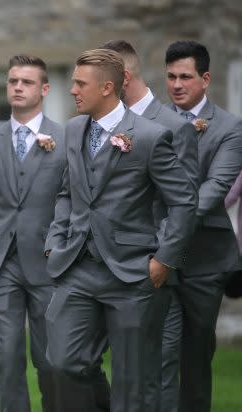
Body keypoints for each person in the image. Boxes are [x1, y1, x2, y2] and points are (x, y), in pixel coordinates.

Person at [43, 49, 196, 412]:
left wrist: (164, 260)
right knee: (62, 363)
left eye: (80, 83)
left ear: (107, 87)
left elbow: (183, 202)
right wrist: (55, 240)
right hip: (77, 268)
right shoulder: (74, 128)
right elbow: (67, 193)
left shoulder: (150, 137)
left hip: (133, 274)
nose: (73, 90)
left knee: (134, 384)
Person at [102, 39, 199, 412]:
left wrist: (160, 261)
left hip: (152, 272)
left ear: (121, 78)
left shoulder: (175, 126)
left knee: (158, 372)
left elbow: (183, 202)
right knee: (113, 372)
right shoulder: (104, 123)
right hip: (105, 270)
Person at [0, 54, 66, 412]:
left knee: (51, 361)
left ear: (44, 88)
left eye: (26, 82)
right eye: (12, 82)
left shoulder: (66, 138)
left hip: (49, 266)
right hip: (1, 266)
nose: (18, 88)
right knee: (7, 358)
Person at [163, 40, 242, 412]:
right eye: (171, 77)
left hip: (204, 260)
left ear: (205, 79)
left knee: (195, 354)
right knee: (156, 351)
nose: (177, 84)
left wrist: (165, 225)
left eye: (185, 77)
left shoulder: (229, 127)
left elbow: (214, 190)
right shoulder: (150, 121)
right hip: (155, 254)